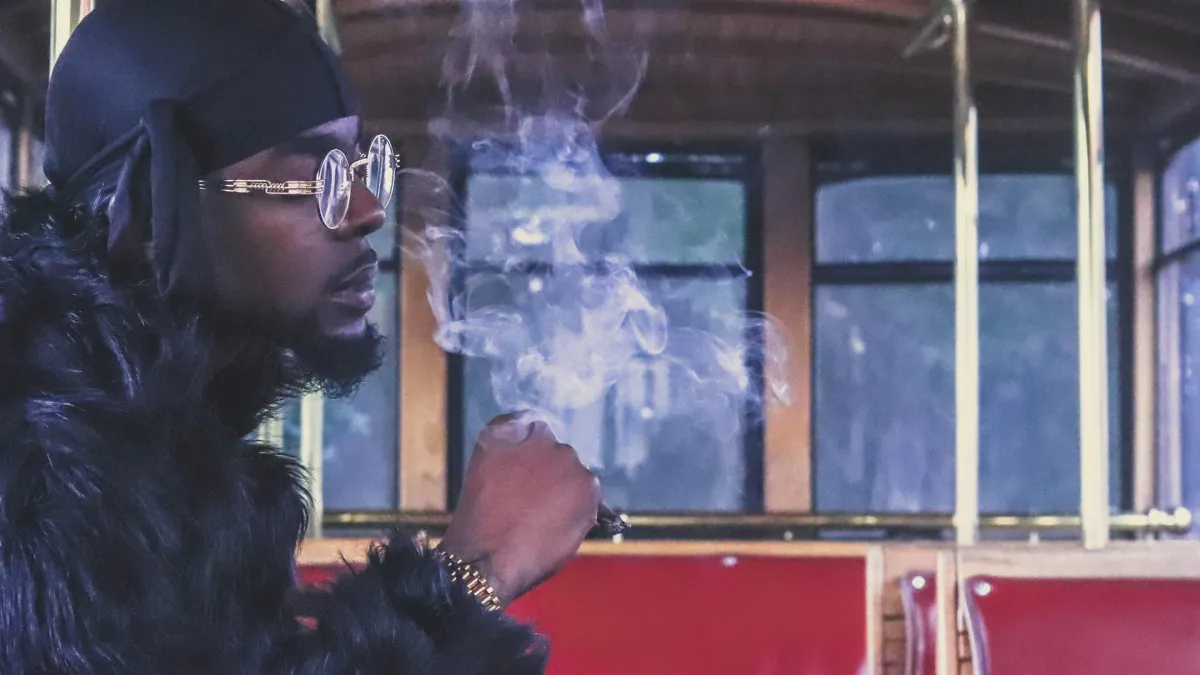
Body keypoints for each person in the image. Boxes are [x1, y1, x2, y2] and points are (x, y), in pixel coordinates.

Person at [0, 0, 602, 672]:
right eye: (315, 176)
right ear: (147, 206)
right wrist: (474, 572)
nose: (368, 211)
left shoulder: (156, 440)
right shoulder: (39, 475)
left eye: (360, 165)